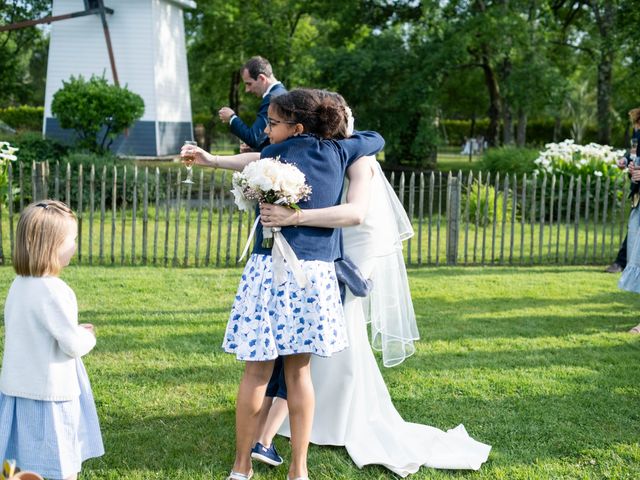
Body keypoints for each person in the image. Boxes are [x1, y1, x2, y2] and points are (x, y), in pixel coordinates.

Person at [257, 128, 491, 477]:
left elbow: (359, 215)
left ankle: (306, 425)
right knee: (306, 349)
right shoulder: (325, 156)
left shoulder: (356, 158)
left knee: (322, 346)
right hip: (326, 250)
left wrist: (306, 227)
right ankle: (285, 428)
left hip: (347, 255)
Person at [182, 88, 385, 480]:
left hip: (268, 272)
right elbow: (375, 138)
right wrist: (344, 135)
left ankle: (241, 468)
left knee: (255, 373)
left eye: (272, 123)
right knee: (298, 375)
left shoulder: (276, 155)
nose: (266, 130)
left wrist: (213, 160)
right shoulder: (343, 151)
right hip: (314, 276)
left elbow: (251, 157)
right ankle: (299, 470)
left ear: (296, 127)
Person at [0, 200, 104, 480]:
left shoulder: (18, 286)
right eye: (72, 240)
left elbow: (35, 328)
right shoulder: (55, 290)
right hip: (50, 396)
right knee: (56, 463)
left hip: (16, 389)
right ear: (50, 245)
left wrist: (71, 328)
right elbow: (72, 344)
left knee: (16, 459)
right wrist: (86, 335)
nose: (75, 246)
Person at [218, 56, 287, 152]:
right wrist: (254, 150)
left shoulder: (273, 98)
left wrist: (232, 118)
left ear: (262, 78)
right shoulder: (280, 93)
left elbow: (253, 138)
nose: (247, 90)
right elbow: (267, 139)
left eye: (249, 84)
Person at [606, 108, 640, 274]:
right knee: (634, 228)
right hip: (638, 189)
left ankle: (621, 263)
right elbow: (634, 153)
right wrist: (626, 160)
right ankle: (622, 263)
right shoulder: (637, 133)